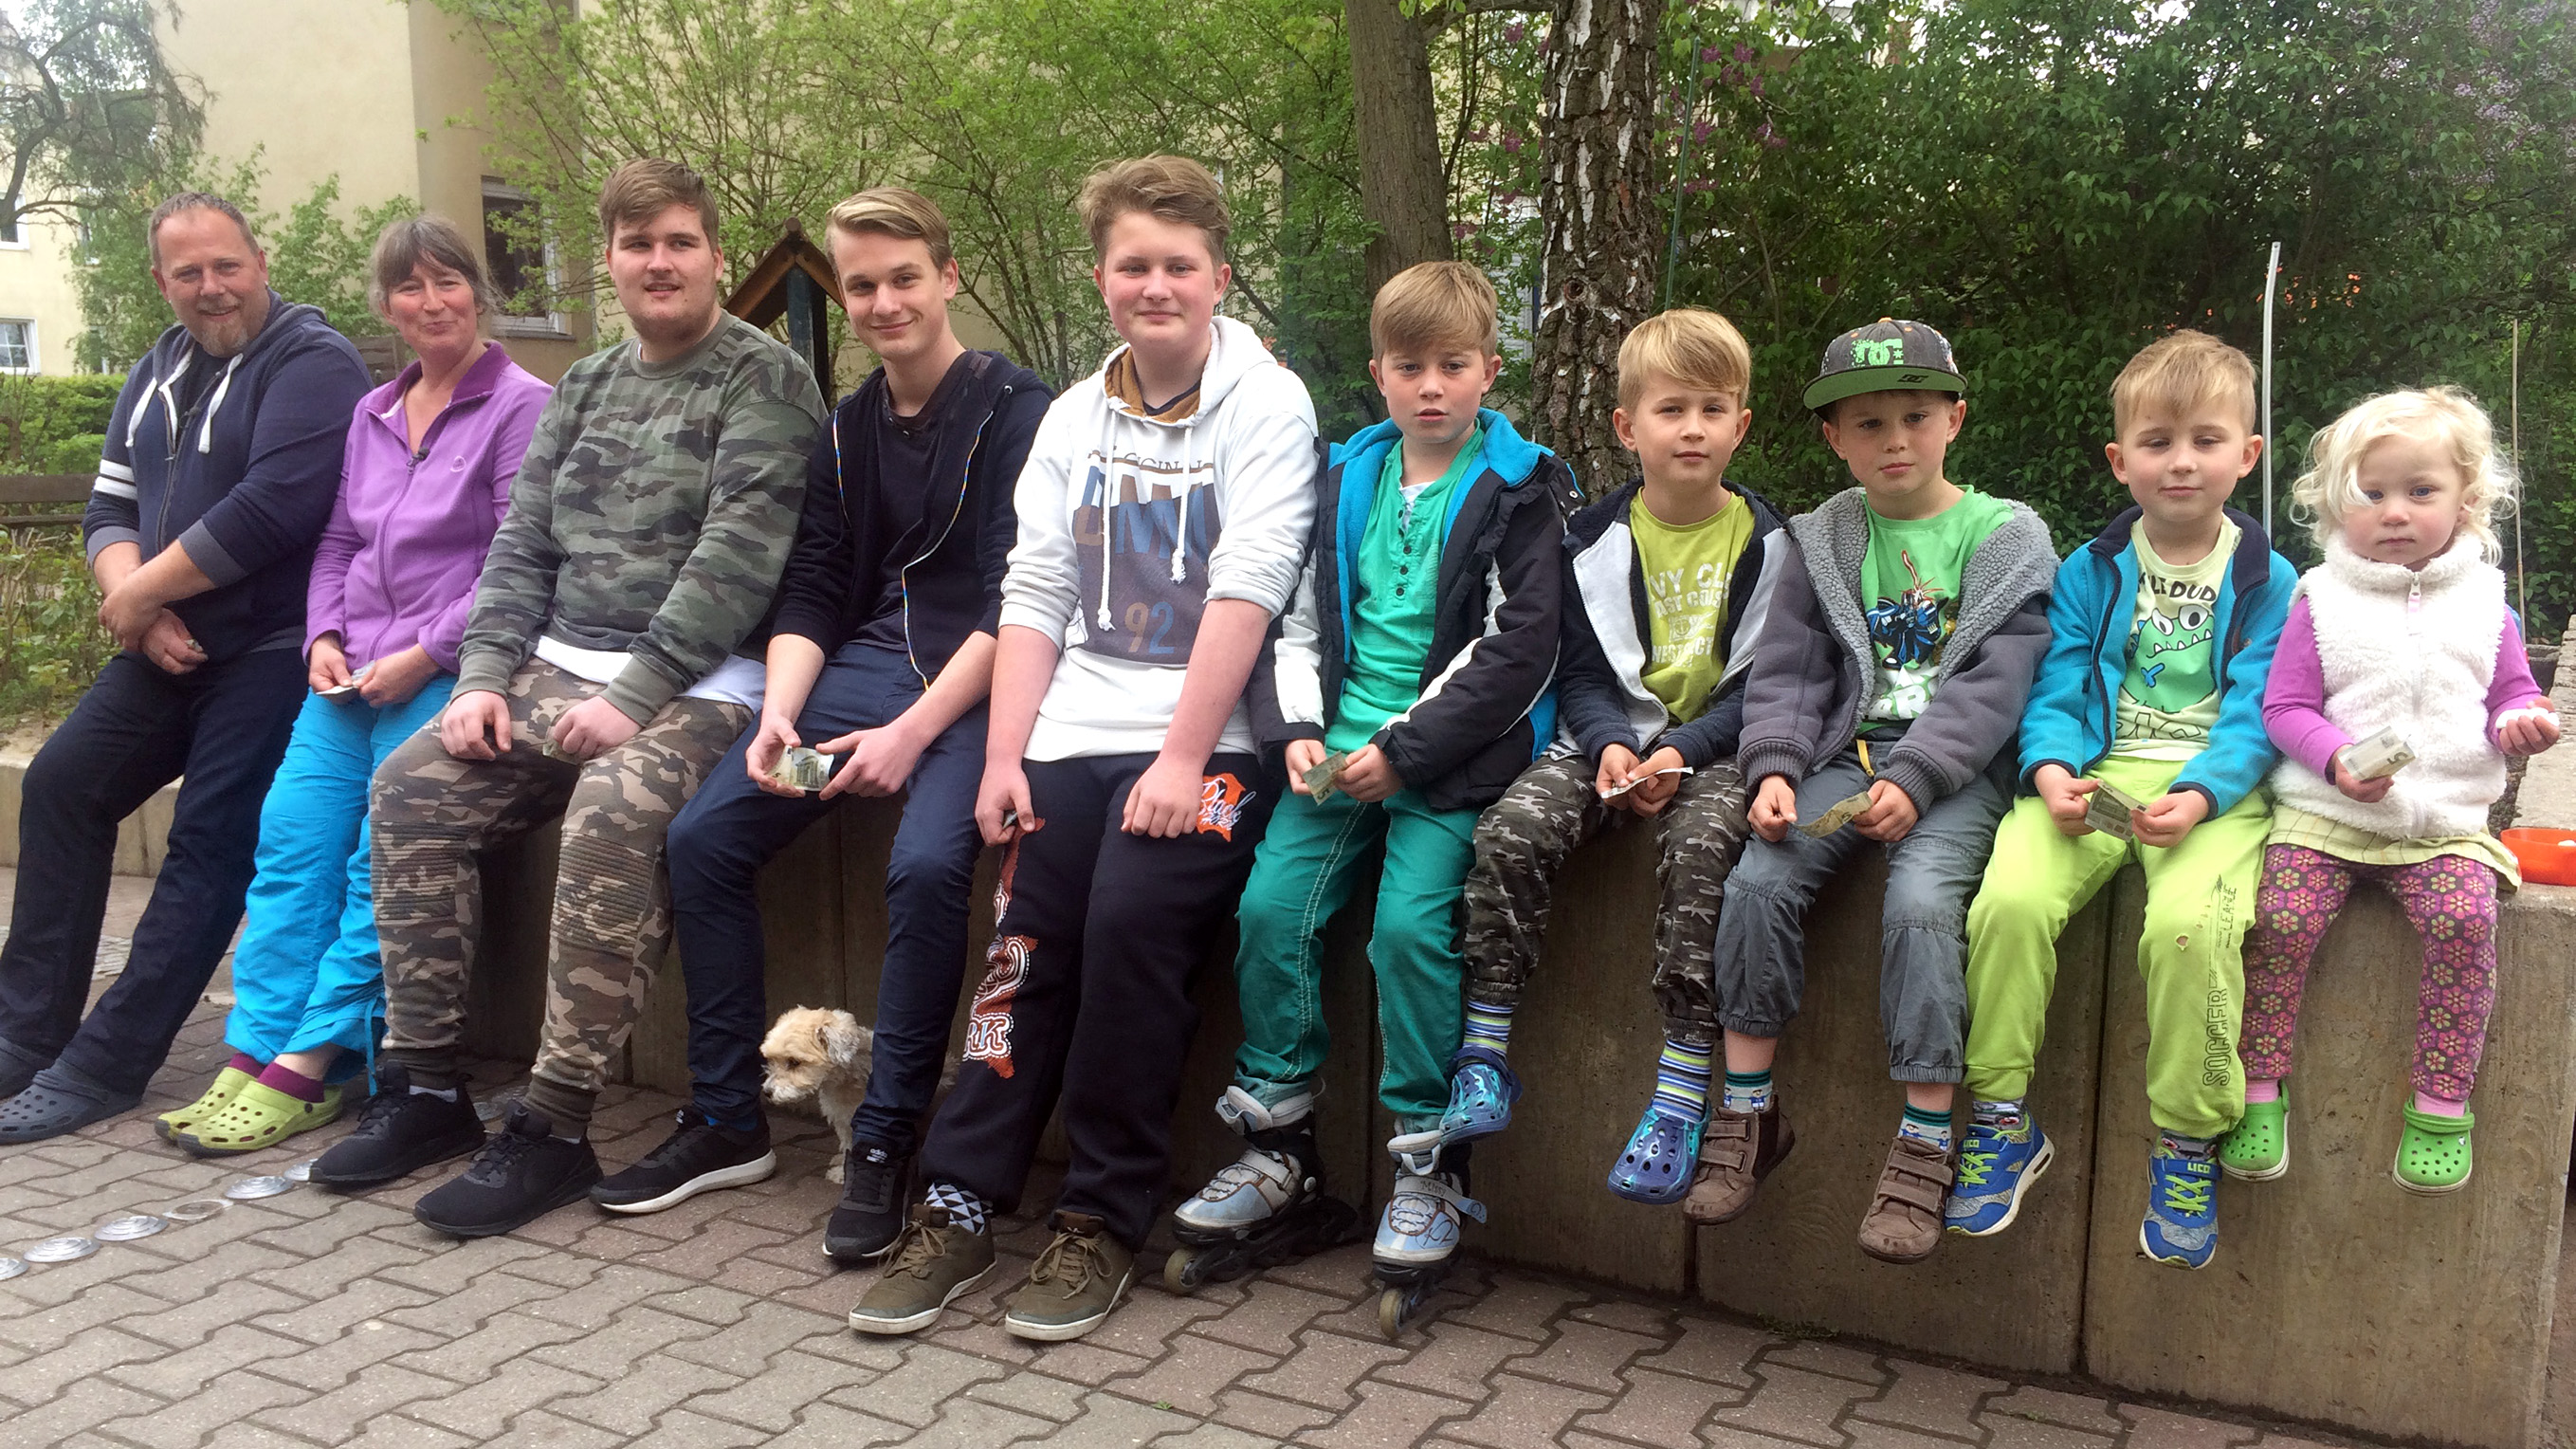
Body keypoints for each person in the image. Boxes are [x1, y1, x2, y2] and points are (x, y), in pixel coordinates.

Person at [309, 159, 826, 1238]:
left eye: (679, 242)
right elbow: (521, 547)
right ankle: (426, 1087)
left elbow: (737, 559)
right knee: (409, 789)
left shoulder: (763, 379)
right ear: (610, 261)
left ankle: (552, 1124)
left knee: (610, 814)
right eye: (638, 245)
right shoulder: (585, 383)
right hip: (556, 665)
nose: (659, 262)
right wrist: (482, 678)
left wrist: (635, 696)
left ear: (715, 256)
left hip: (706, 681)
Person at [849, 155, 1317, 1344]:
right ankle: (958, 1201)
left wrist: (1182, 757)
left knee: (1128, 929)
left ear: (1217, 276)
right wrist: (1002, 759)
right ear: (1101, 276)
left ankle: (1101, 1216)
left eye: (1178, 265)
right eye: (1131, 264)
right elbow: (1036, 590)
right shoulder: (1072, 415)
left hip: (1212, 740)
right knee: (1023, 945)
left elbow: (1250, 587)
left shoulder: (1268, 404)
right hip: (1070, 730)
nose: (1154, 285)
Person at [630, 189, 1050, 1231]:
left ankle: (885, 1134)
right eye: (861, 286)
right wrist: (780, 714)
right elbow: (814, 584)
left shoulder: (1018, 410)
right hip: (858, 676)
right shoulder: (847, 427)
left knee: (926, 864)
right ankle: (728, 1116)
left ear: (947, 277)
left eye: (904, 278)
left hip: (979, 686)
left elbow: (1022, 598)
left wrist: (911, 733)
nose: (883, 302)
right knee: (704, 837)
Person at [1170, 260, 1575, 1301]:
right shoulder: (1345, 476)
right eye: (1408, 366)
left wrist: (1406, 746)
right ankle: (1279, 1144)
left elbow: (1518, 648)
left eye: (1453, 364)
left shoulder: (1522, 488)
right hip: (1337, 750)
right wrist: (1296, 729)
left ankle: (1429, 1163)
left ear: (1489, 369)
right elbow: (1296, 616)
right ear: (1378, 373)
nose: (1430, 386)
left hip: (1450, 757)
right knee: (1271, 910)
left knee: (1406, 931)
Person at [155, 216, 550, 1154]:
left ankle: (321, 1055)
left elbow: (519, 557)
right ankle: (256, 1047)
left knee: (381, 861)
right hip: (348, 677)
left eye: (448, 282)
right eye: (410, 287)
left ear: (479, 293)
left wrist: (427, 652)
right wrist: (324, 636)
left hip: (446, 672)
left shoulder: (523, 405)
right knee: (290, 847)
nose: (432, 302)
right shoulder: (373, 413)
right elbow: (336, 542)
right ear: (386, 306)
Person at [0, 192, 371, 1143]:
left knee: (209, 840)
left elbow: (273, 507)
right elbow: (108, 505)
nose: (212, 287)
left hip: (275, 647)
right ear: (161, 280)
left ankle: (107, 1063)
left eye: (227, 265)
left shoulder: (311, 360)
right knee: (62, 785)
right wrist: (137, 603)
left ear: (260, 261)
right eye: (188, 272)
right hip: (165, 641)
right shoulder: (158, 366)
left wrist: (138, 598)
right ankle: (24, 1031)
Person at [1693, 319, 2056, 1265]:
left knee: (1921, 906)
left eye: (1913, 417)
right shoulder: (1822, 536)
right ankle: (1748, 1111)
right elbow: (1788, 669)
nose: (1893, 440)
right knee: (1754, 883)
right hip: (1840, 756)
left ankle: (1926, 1139)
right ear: (1834, 438)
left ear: (1953, 420)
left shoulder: (2005, 536)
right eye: (1867, 424)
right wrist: (1774, 767)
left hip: (1955, 771)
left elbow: (1997, 684)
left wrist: (1918, 774)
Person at [1950, 330, 2293, 1271]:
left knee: (2188, 930)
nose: (2180, 460)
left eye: (2204, 440)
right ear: (2119, 459)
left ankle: (2186, 1142)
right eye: (2156, 441)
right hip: (2093, 779)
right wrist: (2049, 770)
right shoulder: (2088, 569)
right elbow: (2057, 683)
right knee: (2007, 903)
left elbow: (2261, 709)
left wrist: (2203, 792)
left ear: (2245, 455)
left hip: (2210, 793)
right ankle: (2000, 1117)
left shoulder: (2267, 578)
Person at [1446, 307, 1791, 1208]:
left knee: (1703, 850)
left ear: (1740, 425)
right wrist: (1608, 743)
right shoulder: (1588, 540)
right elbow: (1580, 670)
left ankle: (1679, 1087)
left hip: (1717, 749)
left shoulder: (1773, 547)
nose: (1691, 429)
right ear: (1626, 427)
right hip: (1602, 743)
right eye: (1670, 409)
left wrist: (1679, 749)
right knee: (1511, 831)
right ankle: (1484, 1048)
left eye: (1711, 410)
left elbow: (1765, 686)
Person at [2222, 387, 2555, 1196]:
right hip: (2326, 815)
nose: (2394, 511)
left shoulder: (2486, 603)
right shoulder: (2319, 599)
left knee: (2464, 921)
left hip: (2441, 822)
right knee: (2277, 919)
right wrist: (2335, 761)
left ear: (2465, 500)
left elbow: (2510, 692)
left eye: (2420, 490)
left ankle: (2439, 1106)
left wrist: (2522, 722)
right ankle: (2257, 1091)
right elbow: (2285, 709)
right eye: (2369, 494)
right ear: (2336, 505)